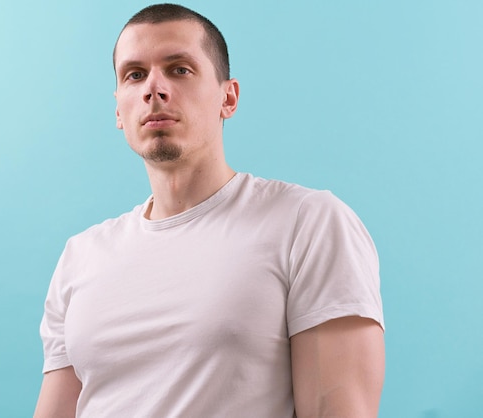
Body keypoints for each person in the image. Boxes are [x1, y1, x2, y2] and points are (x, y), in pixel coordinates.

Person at [34, 3, 385, 418]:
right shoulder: (81, 256)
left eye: (179, 69)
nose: (153, 88)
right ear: (118, 110)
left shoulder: (308, 223)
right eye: (134, 75)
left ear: (228, 97)